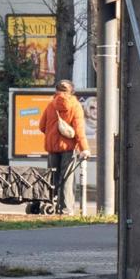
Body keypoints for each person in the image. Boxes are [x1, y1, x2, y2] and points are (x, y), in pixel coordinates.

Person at [37, 79, 90, 213]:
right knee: (67, 178)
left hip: (52, 148)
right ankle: (66, 209)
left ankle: (50, 206)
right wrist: (84, 149)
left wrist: (53, 136)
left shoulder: (51, 105)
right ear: (71, 91)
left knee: (52, 178)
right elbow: (79, 130)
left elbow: (42, 126)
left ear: (56, 90)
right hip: (68, 148)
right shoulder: (75, 106)